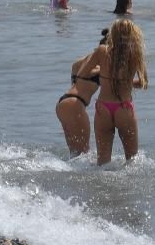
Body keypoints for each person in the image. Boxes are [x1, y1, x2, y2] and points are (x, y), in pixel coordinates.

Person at [77, 19, 148, 165]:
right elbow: (143, 83)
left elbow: (82, 73)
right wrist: (125, 82)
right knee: (132, 162)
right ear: (134, 34)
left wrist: (102, 73)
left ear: (113, 34)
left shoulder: (102, 51)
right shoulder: (136, 53)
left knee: (102, 162)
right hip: (125, 108)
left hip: (103, 108)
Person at [56, 28, 108, 157]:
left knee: (74, 153)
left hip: (63, 102)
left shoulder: (80, 62)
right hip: (75, 104)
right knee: (83, 153)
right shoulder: (99, 67)